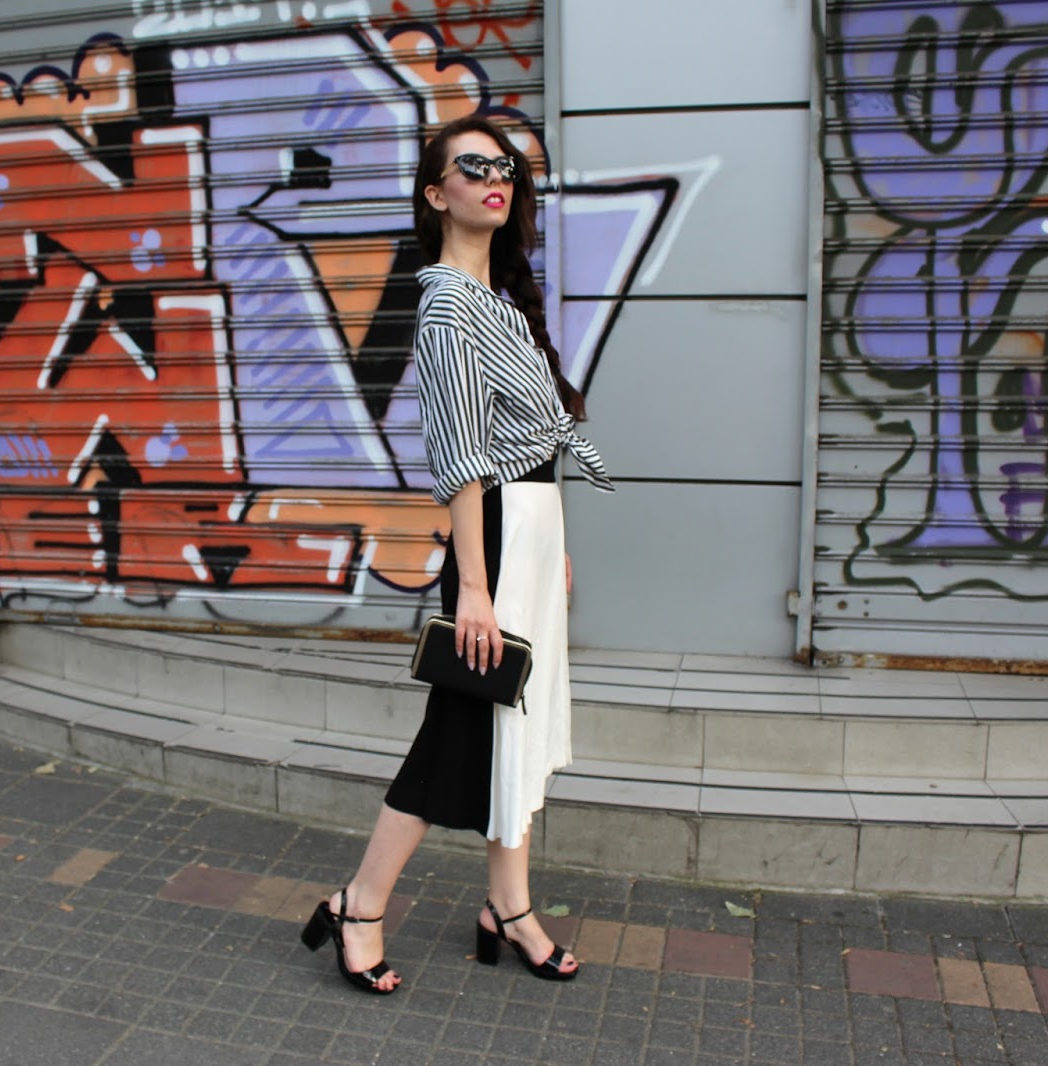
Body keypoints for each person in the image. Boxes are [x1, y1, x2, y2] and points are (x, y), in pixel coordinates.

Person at [299, 115, 614, 994]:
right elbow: (463, 459)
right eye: (473, 166)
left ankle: (508, 907)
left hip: (528, 532)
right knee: (460, 732)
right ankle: (359, 903)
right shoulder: (446, 305)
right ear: (437, 194)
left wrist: (553, 549)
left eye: (504, 166)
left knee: (514, 727)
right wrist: (475, 586)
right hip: (494, 542)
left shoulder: (500, 301)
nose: (495, 177)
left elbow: (531, 446)